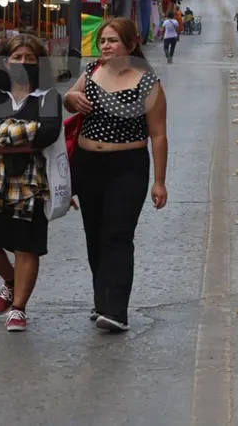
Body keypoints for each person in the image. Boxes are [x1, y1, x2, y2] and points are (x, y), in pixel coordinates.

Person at [64, 17, 168, 333]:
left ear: (131, 44)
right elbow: (69, 98)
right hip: (87, 166)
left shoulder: (147, 82)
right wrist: (72, 99)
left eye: (112, 40)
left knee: (118, 236)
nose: (106, 46)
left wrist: (159, 181)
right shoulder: (92, 72)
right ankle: (102, 302)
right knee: (94, 235)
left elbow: (159, 134)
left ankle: (117, 309)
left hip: (128, 167)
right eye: (103, 41)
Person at [0, 34, 63, 333]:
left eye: (29, 58)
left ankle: (19, 308)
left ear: (39, 63)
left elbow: (48, 134)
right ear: (6, 62)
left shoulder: (49, 97)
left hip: (32, 180)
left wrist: (2, 135)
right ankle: (10, 280)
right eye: (17, 57)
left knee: (27, 245)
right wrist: (26, 136)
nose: (23, 62)